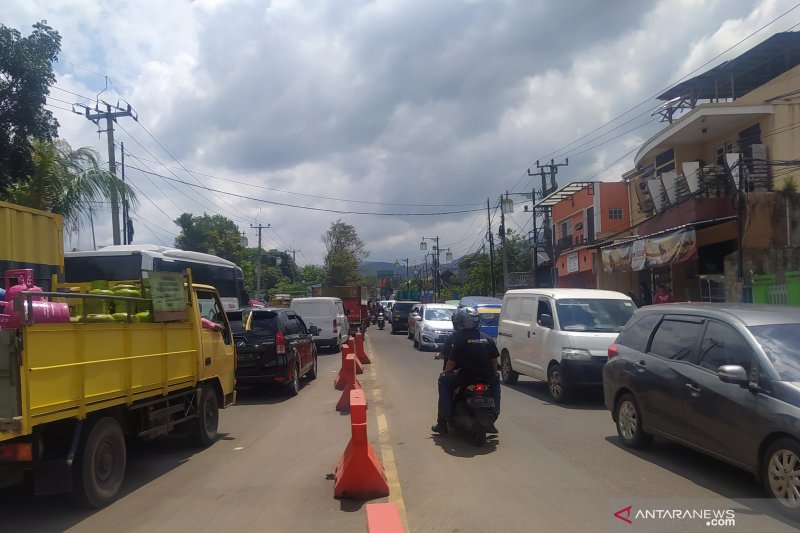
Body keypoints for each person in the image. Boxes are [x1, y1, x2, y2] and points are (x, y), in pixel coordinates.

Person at [432, 307, 501, 435]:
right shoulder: (487, 338)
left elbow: (451, 363)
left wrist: (444, 373)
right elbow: (494, 361)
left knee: (443, 381)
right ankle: (495, 411)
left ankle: (444, 418)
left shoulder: (457, 339)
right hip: (485, 376)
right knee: (496, 381)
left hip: (465, 376)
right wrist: (493, 372)